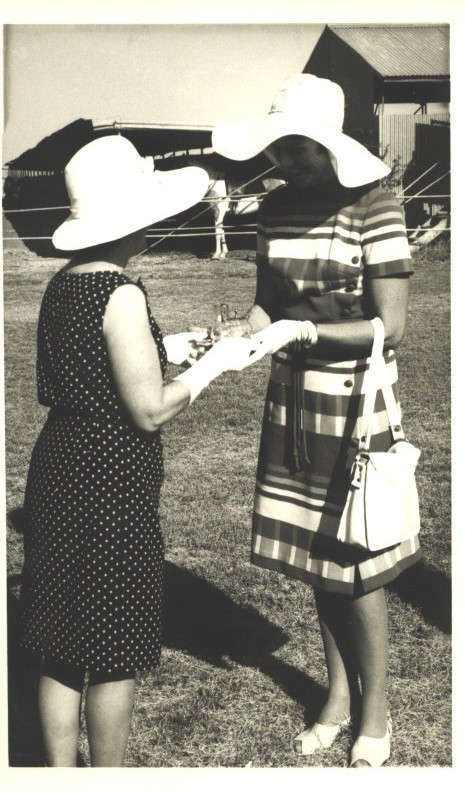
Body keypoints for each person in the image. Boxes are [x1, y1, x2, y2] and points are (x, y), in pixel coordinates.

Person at [17, 135, 265, 767]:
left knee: (62, 644)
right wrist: (216, 363)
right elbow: (149, 409)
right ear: (134, 221)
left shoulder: (64, 284)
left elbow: (92, 366)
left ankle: (57, 779)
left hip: (59, 469)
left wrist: (171, 345)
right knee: (114, 649)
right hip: (110, 480)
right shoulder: (121, 295)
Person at [211, 74, 421, 767]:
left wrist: (300, 332)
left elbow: (388, 327)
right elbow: (266, 301)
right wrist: (246, 333)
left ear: (329, 146)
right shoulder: (273, 209)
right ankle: (335, 695)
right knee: (314, 560)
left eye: (297, 150)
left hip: (354, 399)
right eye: (278, 150)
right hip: (291, 400)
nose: (286, 163)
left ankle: (376, 708)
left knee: (357, 564)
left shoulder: (376, 204)